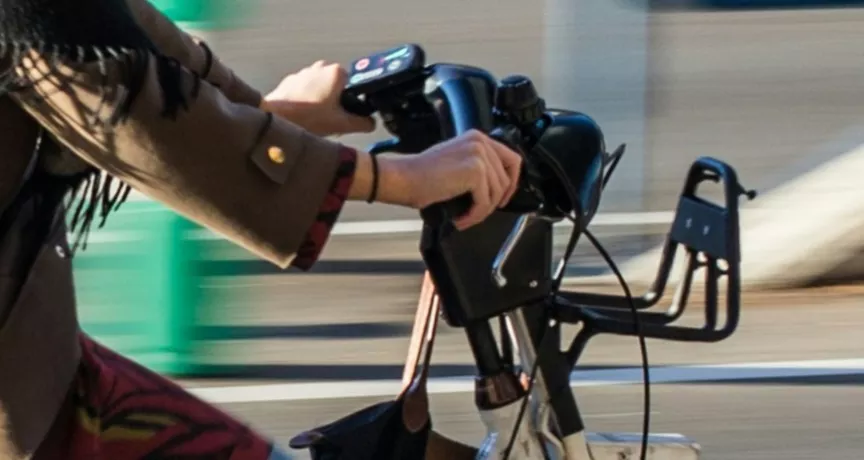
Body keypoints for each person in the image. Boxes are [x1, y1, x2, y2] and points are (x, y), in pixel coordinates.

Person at [0, 0, 521, 458]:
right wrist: (398, 178)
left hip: (41, 355)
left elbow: (116, 33)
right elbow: (126, 107)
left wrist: (263, 114)